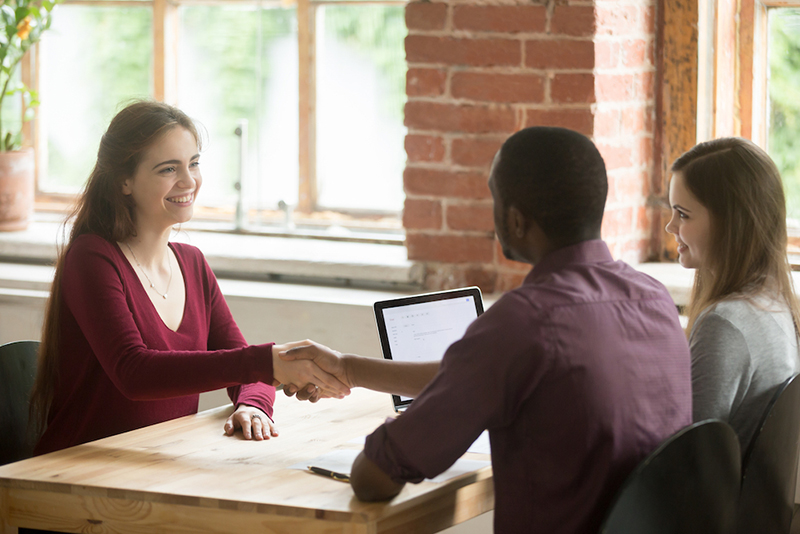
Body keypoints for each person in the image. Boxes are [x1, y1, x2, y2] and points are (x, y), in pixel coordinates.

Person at [281, 127, 693, 534]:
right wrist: (349, 369)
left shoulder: (524, 321)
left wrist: (400, 431)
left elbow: (374, 479)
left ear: (515, 219)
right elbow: (476, 374)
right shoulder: (654, 301)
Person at [28, 100, 349, 459]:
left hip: (158, 468)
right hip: (72, 478)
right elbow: (135, 372)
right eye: (168, 169)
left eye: (193, 163)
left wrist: (255, 405)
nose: (189, 181)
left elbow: (247, 368)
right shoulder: (91, 258)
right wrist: (267, 362)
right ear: (125, 182)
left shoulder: (192, 264)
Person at [665, 137, 800, 453]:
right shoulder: (776, 302)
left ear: (731, 223)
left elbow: (689, 456)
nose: (670, 226)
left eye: (683, 214)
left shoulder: (725, 324)